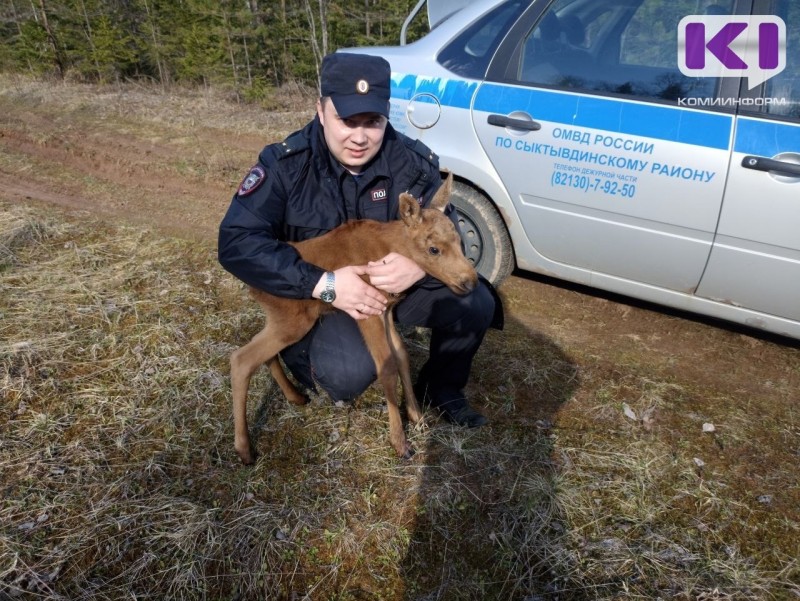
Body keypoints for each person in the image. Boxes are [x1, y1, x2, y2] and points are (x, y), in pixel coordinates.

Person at [218, 52, 501, 428]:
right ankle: (300, 358)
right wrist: (324, 283)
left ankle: (442, 387)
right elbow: (237, 243)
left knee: (475, 300)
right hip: (318, 295)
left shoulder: (410, 162)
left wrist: (418, 267)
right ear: (321, 111)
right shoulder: (286, 165)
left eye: (372, 121)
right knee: (347, 375)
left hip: (395, 288)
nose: (359, 136)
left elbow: (442, 224)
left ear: (386, 117)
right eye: (346, 120)